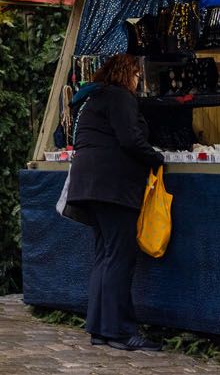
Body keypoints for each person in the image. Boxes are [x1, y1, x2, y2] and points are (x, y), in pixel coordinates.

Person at [65, 53, 164, 352]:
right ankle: (120, 331)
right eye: (136, 74)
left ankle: (100, 328)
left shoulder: (92, 99)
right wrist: (156, 157)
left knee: (105, 256)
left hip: (90, 187)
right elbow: (130, 139)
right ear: (126, 74)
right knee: (119, 258)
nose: (138, 80)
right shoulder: (120, 97)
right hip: (113, 187)